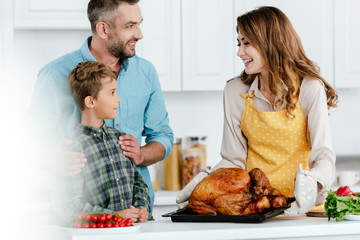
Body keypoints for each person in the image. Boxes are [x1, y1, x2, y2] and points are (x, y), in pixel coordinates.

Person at [177, 6, 338, 214]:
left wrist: (313, 184)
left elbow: (324, 157)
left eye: (247, 43)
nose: (239, 52)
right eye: (238, 43)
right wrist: (207, 179)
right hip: (255, 208)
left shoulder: (309, 88)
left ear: (270, 43)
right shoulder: (235, 91)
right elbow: (233, 160)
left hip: (304, 210)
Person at [26, 0, 173, 220]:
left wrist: (142, 154)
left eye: (139, 24)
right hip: (78, 220)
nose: (140, 34)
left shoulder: (146, 72)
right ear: (103, 29)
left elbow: (162, 136)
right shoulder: (55, 74)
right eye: (130, 26)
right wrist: (51, 159)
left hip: (136, 216)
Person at [64, 61, 150, 224]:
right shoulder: (74, 147)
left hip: (131, 232)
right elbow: (72, 205)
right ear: (90, 102)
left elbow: (139, 184)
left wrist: (141, 208)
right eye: (111, 93)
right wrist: (114, 216)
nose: (118, 99)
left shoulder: (121, 139)